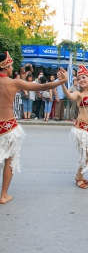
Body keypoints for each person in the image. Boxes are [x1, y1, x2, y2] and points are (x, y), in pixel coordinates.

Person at [0, 51, 67, 204]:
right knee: (8, 162)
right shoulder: (13, 83)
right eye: (10, 66)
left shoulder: (14, 82)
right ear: (6, 67)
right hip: (8, 128)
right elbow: (43, 86)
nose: (12, 69)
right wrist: (61, 81)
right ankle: (3, 195)